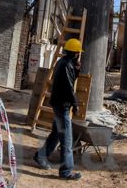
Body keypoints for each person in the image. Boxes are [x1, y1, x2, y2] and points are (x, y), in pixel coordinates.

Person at [33, 38, 83, 180]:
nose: (79, 54)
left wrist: (77, 70)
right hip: (62, 106)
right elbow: (69, 88)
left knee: (56, 133)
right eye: (78, 52)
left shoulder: (64, 62)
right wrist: (75, 104)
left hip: (59, 104)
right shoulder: (66, 64)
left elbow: (70, 81)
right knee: (67, 140)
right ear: (75, 53)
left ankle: (40, 156)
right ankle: (66, 172)